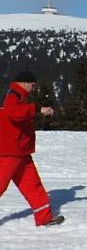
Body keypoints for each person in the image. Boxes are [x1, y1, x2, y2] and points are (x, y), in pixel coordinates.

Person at [0, 71, 64, 226]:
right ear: (24, 83)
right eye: (33, 85)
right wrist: (37, 109)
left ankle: (44, 218)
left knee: (33, 184)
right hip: (10, 151)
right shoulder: (13, 96)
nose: (34, 88)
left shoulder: (19, 95)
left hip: (21, 151)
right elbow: (14, 114)